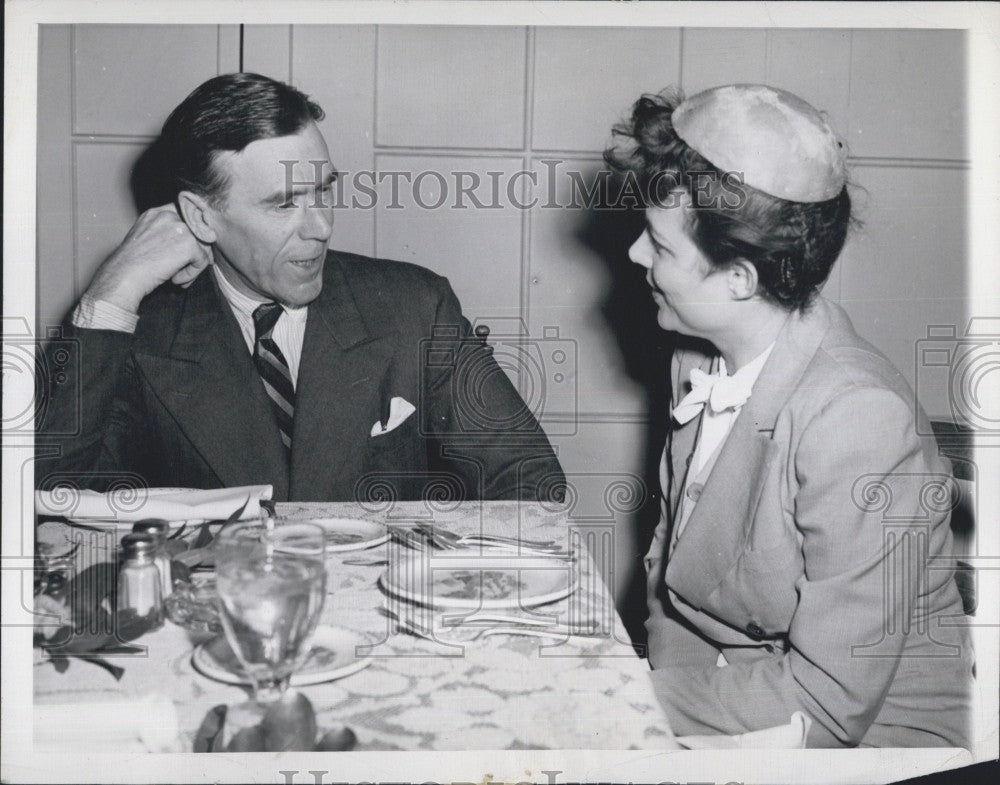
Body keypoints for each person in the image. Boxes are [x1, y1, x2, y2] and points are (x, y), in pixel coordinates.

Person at [605, 84, 972, 747]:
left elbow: (830, 704)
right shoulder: (694, 357)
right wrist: (653, 731)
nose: (634, 255)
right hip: (738, 706)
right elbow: (672, 585)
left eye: (658, 246)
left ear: (740, 278)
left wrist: (619, 702)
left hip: (870, 742)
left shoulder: (859, 420)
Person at [36, 72, 564, 503]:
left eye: (323, 192)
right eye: (284, 203)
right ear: (201, 217)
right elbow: (55, 510)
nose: (321, 227)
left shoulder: (415, 306)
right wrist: (108, 298)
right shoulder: (142, 334)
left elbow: (529, 482)